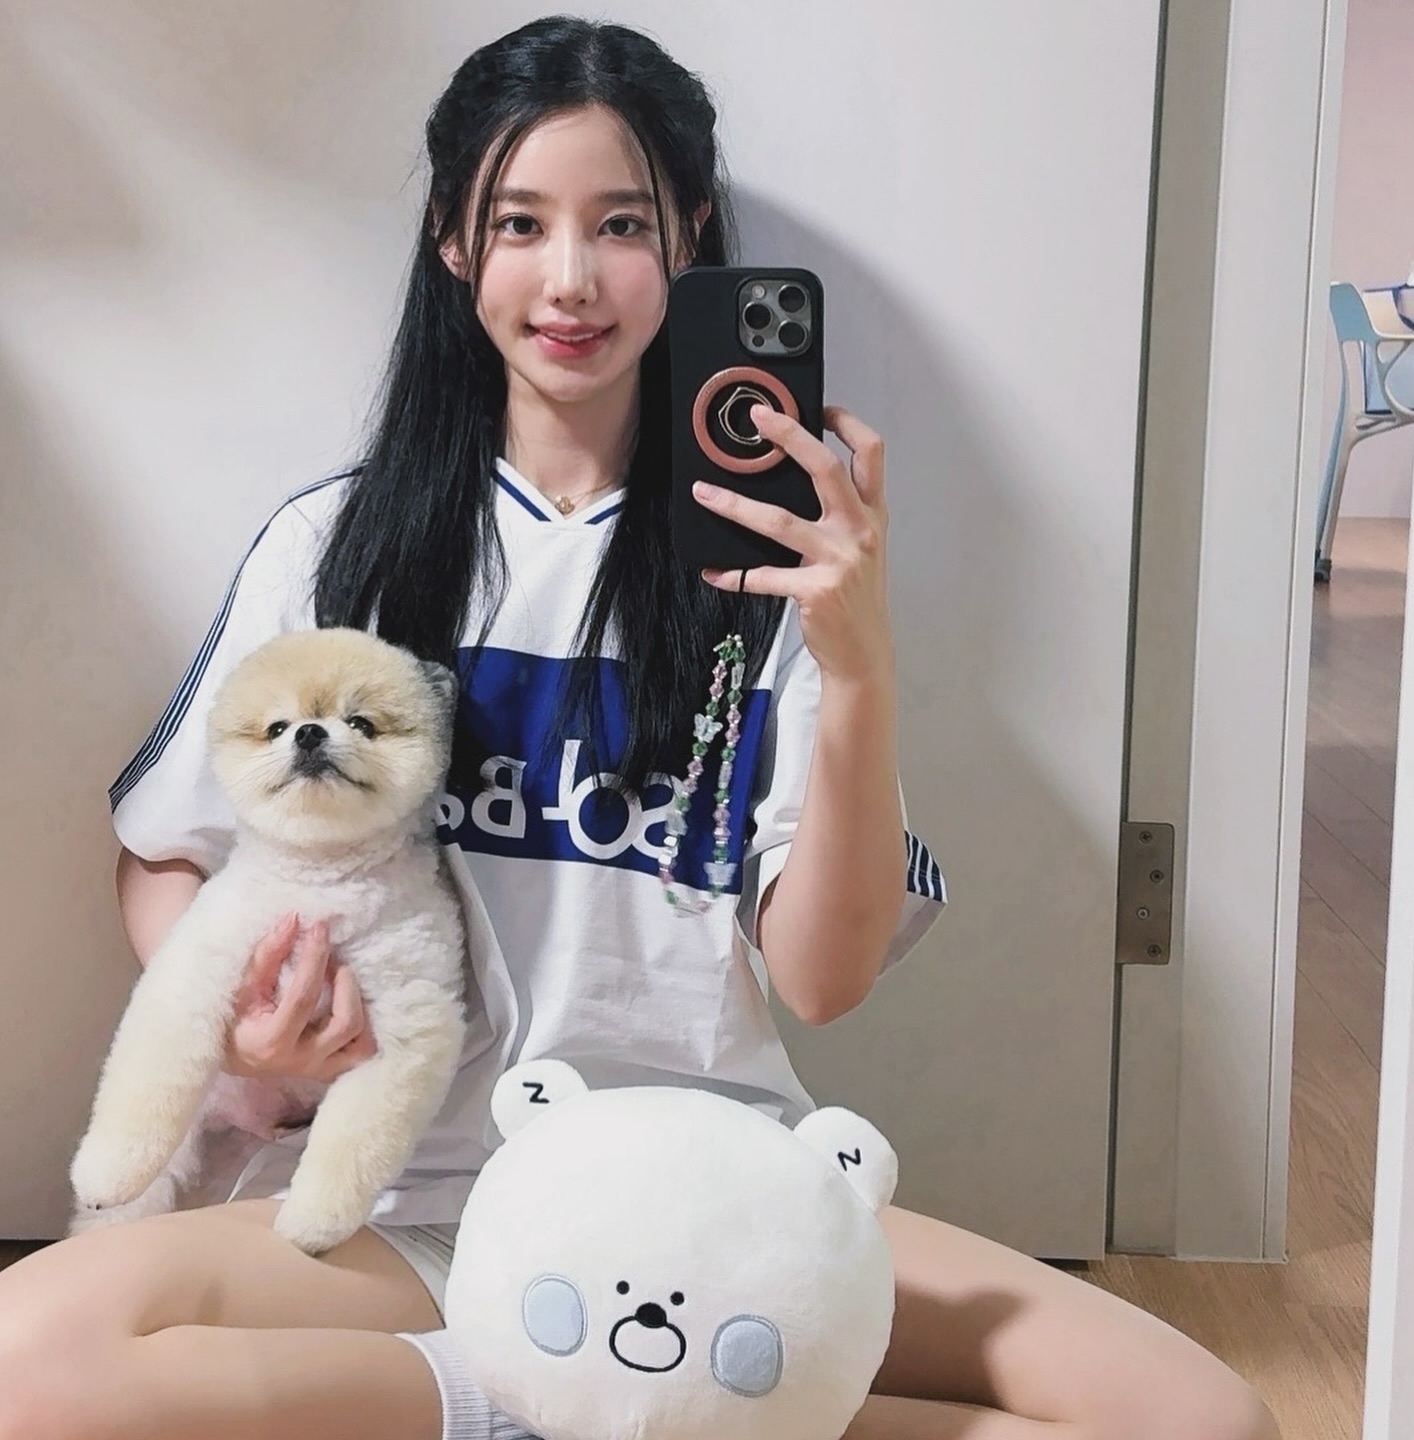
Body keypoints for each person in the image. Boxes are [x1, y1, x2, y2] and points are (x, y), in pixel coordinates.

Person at [0, 17, 1279, 1440]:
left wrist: (858, 666)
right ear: (452, 242)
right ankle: (630, 1403)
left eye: (620, 224)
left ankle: (614, 1392)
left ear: (690, 240)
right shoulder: (336, 549)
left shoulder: (781, 574)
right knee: (27, 1362)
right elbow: (161, 855)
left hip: (723, 1204)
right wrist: (248, 1023)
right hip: (420, 1210)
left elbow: (823, 979)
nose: (569, 278)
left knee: (1201, 1421)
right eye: (519, 223)